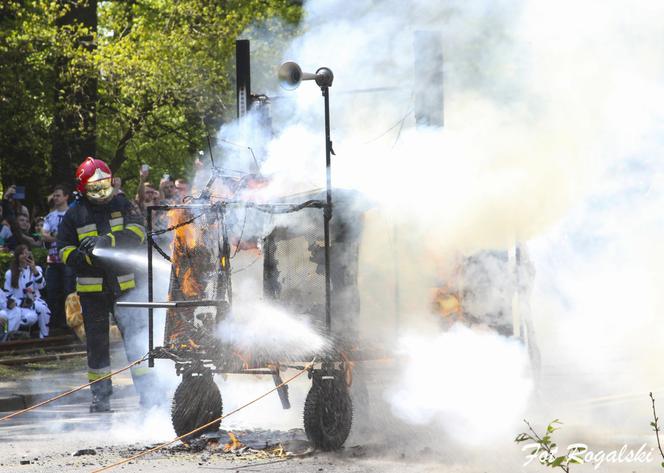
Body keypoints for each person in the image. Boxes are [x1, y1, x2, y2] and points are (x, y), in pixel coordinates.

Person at [57, 156, 156, 412]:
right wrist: (85, 257)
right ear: (82, 188)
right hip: (93, 293)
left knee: (137, 340)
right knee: (97, 347)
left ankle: (149, 395)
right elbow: (64, 251)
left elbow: (138, 231)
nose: (102, 194)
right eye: (95, 189)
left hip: (126, 288)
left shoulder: (123, 204)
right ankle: (100, 398)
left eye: (105, 186)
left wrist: (108, 241)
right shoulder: (73, 215)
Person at [42, 185, 76, 330]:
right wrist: (59, 238)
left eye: (58, 195)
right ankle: (53, 322)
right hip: (53, 259)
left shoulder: (73, 214)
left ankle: (69, 322)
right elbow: (44, 234)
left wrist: (56, 238)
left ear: (66, 197)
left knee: (68, 290)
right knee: (52, 290)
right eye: (54, 196)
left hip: (68, 260)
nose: (55, 198)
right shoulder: (50, 216)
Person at [4, 244, 50, 338]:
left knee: (43, 309)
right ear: (17, 257)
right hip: (18, 304)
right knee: (28, 317)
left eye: (26, 253)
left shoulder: (36, 269)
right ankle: (10, 336)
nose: (25, 255)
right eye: (22, 254)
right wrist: (21, 303)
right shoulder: (10, 273)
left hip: (35, 300)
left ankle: (44, 336)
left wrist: (34, 270)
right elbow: (7, 294)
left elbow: (41, 286)